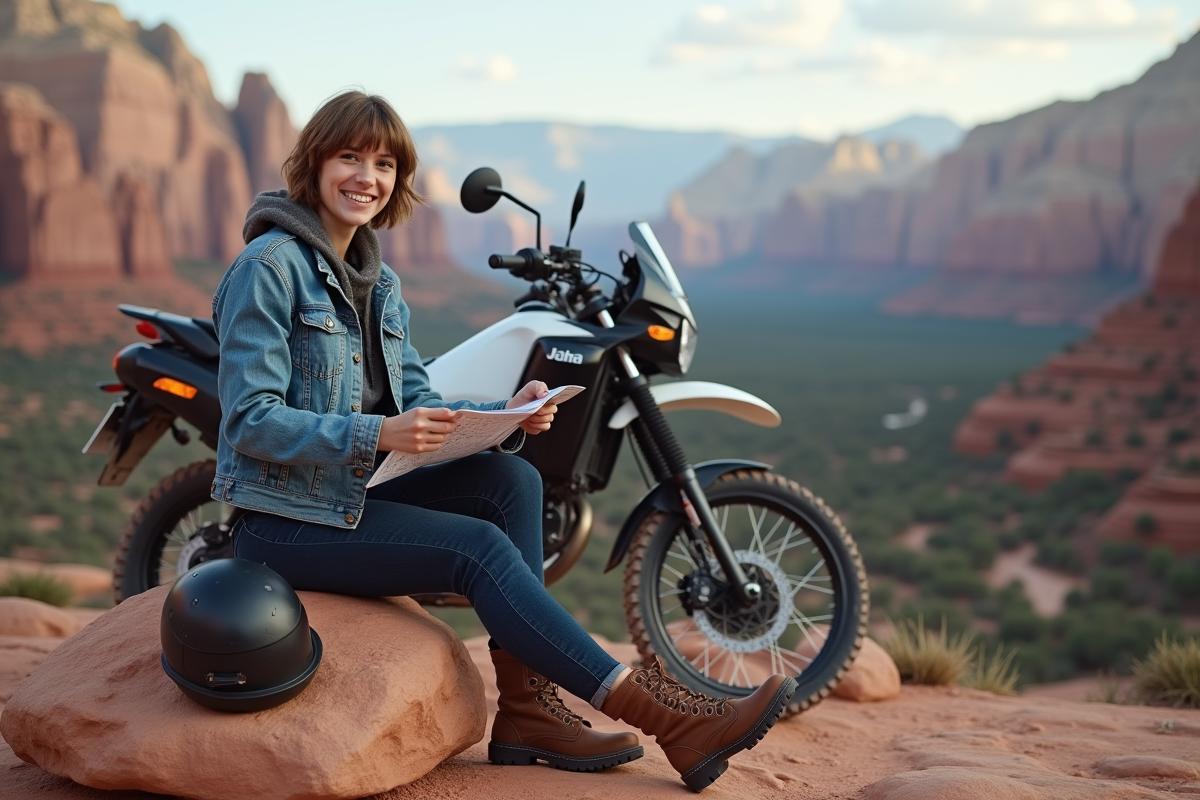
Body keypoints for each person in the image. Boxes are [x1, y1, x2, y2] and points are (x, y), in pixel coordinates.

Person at [212, 89, 795, 791]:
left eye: (385, 163)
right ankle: (669, 719)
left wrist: (505, 414)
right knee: (476, 549)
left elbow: (421, 399)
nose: (367, 176)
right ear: (314, 163)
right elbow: (248, 421)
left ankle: (525, 711)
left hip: (352, 492)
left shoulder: (379, 280)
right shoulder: (268, 269)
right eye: (349, 157)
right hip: (284, 522)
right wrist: (378, 431)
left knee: (513, 479)